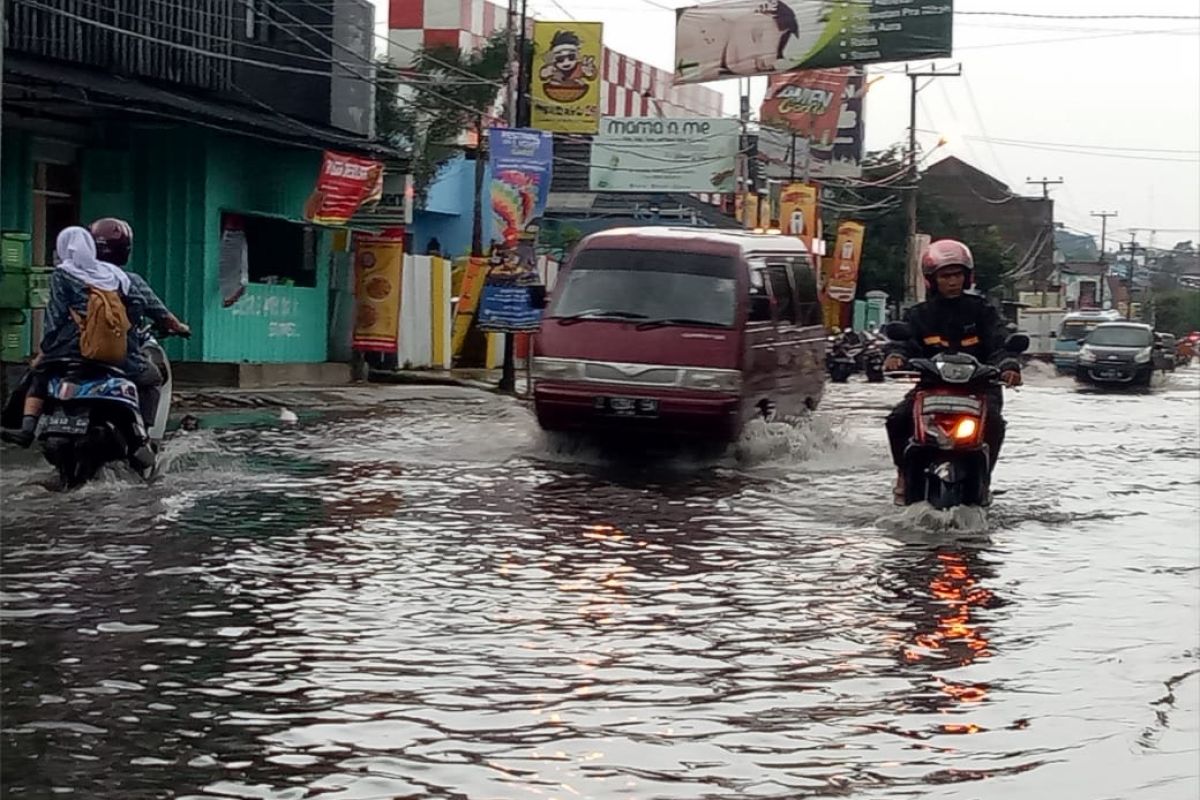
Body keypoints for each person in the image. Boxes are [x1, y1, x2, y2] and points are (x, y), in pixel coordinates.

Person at [883, 239, 1022, 504]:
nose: (952, 281)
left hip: (979, 390)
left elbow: (1001, 342)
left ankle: (984, 478)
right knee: (896, 420)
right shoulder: (919, 314)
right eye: (945, 276)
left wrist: (1009, 366)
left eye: (957, 274)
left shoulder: (983, 311)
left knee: (994, 422)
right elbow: (904, 340)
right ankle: (903, 472)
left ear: (967, 277)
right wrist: (896, 356)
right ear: (932, 280)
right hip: (931, 389)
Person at [1, 227, 132, 447]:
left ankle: (26, 430)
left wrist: (44, 350)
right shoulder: (111, 275)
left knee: (39, 375)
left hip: (69, 345)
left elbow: (56, 315)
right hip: (108, 346)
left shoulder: (64, 273)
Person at [90, 217, 190, 428]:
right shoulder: (129, 280)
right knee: (153, 378)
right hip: (116, 356)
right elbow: (162, 316)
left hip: (70, 354)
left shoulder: (70, 276)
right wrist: (180, 328)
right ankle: (142, 432)